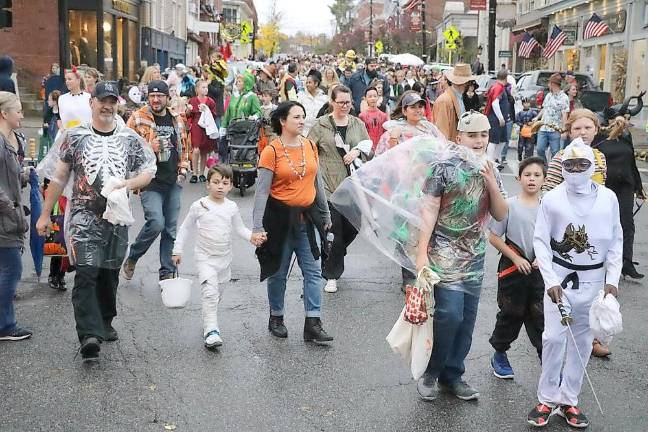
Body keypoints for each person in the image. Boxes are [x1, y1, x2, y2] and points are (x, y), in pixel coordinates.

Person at [36, 82, 156, 362]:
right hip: (83, 217)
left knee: (108, 273)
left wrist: (129, 183)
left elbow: (148, 170)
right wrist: (44, 214)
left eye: (112, 101)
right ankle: (88, 334)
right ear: (92, 102)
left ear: (117, 104)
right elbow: (58, 176)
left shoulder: (128, 138)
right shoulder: (74, 136)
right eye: (103, 100)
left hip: (116, 217)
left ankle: (104, 320)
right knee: (87, 272)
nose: (107, 106)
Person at [526, 138, 622, 429]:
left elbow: (617, 240)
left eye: (582, 164)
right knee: (553, 339)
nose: (577, 169)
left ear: (591, 166)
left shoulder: (609, 198)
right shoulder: (553, 198)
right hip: (561, 278)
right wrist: (550, 280)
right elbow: (541, 241)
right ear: (563, 166)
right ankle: (546, 397)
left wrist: (612, 281)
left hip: (593, 281)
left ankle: (569, 399)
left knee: (582, 342)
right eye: (570, 164)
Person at [253, 101, 333, 342]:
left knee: (313, 271)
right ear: (283, 121)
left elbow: (316, 183)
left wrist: (325, 214)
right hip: (278, 221)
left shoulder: (309, 145)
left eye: (303, 116)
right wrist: (257, 227)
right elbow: (261, 192)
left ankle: (313, 322)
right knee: (278, 272)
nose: (302, 121)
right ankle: (276, 317)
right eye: (296, 117)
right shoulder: (272, 151)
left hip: (307, 219)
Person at [172, 164, 266, 349]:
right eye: (216, 182)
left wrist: (252, 238)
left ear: (231, 185)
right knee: (209, 292)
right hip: (205, 258)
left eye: (225, 183)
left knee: (216, 294)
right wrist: (177, 249)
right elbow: (185, 228)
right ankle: (211, 330)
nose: (220, 186)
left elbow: (239, 228)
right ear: (208, 184)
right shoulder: (199, 205)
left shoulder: (231, 207)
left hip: (224, 259)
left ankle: (209, 318)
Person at [122, 80, 190, 282]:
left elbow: (185, 146)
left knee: (170, 229)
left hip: (173, 181)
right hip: (149, 181)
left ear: (167, 98)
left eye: (159, 95)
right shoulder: (137, 118)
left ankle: (166, 273)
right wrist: (148, 147)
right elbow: (124, 148)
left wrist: (183, 172)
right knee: (156, 223)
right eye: (152, 96)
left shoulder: (177, 118)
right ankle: (133, 256)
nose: (155, 99)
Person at [307, 86, 372, 293]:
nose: (345, 106)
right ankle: (332, 274)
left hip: (353, 186)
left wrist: (356, 151)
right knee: (334, 229)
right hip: (329, 185)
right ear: (332, 102)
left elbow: (369, 150)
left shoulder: (357, 123)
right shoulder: (321, 125)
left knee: (354, 226)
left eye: (348, 102)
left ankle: (336, 251)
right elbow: (309, 149)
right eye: (341, 102)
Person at [488, 157, 546, 379]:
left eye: (537, 175)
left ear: (544, 179)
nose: (532, 179)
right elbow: (494, 237)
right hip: (513, 269)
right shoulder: (509, 204)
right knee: (511, 312)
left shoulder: (548, 206)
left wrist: (542, 258)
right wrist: (515, 258)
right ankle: (500, 354)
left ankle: (547, 359)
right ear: (519, 178)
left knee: (540, 315)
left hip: (539, 270)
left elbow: (555, 239)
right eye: (527, 175)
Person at [592, 117, 645, 279]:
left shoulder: (626, 138)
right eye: (622, 119)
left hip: (626, 185)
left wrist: (639, 186)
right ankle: (599, 260)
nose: (625, 122)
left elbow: (632, 164)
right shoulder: (599, 138)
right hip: (605, 185)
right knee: (603, 223)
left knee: (627, 223)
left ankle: (627, 262)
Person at [0, 91, 32, 342]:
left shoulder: (10, 140)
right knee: (12, 269)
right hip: (4, 218)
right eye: (18, 110)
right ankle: (5, 325)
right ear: (4, 113)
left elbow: (9, 177)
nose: (22, 114)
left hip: (8, 214)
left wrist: (24, 175)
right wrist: (9, 207)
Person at [375, 91, 442, 156]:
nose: (418, 110)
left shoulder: (429, 127)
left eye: (420, 107)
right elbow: (384, 158)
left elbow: (441, 147)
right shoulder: (395, 130)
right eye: (413, 107)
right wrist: (393, 140)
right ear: (404, 111)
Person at [432, 64, 476, 143]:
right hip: (450, 150)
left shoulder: (460, 97)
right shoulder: (444, 101)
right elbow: (442, 134)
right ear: (466, 83)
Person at [187, 79, 218, 183]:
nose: (206, 89)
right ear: (197, 89)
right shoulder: (192, 101)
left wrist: (207, 110)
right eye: (203, 87)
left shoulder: (210, 101)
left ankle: (201, 173)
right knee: (196, 149)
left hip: (207, 127)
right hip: (196, 126)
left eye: (206, 87)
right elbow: (188, 115)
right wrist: (189, 110)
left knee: (204, 150)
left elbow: (214, 115)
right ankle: (194, 173)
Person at [535, 73, 569, 163]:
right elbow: (544, 109)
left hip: (556, 129)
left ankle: (553, 170)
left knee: (555, 152)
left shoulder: (564, 98)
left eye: (549, 83)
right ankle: (544, 167)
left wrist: (564, 130)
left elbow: (565, 115)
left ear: (553, 84)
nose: (548, 85)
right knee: (539, 149)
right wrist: (537, 117)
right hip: (544, 126)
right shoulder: (548, 95)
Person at [220, 73, 263, 144]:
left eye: (240, 81)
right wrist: (223, 127)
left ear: (246, 83)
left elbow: (259, 112)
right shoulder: (234, 96)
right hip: (232, 131)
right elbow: (228, 112)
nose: (237, 83)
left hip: (246, 132)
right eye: (237, 81)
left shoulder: (252, 96)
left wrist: (254, 117)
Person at [484, 70, 514, 168]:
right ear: (506, 78)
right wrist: (500, 118)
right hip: (495, 119)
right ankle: (490, 161)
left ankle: (495, 159)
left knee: (502, 140)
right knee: (493, 141)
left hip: (499, 119)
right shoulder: (499, 88)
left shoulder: (497, 86)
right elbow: (495, 103)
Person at [358, 86, 389, 152]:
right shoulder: (362, 116)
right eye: (370, 96)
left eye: (375, 96)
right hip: (367, 149)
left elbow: (386, 133)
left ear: (378, 97)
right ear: (365, 98)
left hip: (381, 148)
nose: (373, 98)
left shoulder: (384, 116)